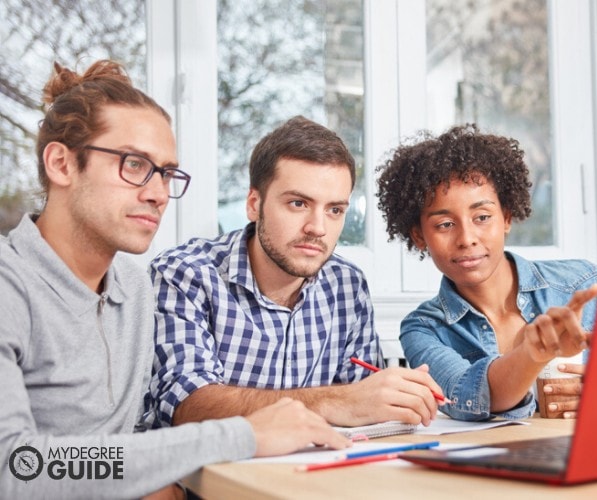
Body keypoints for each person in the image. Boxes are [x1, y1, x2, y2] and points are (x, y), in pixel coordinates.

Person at [0, 60, 348, 499]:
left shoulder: (133, 286)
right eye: (134, 164)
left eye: (165, 172)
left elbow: (130, 445)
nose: (158, 192)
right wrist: (243, 433)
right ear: (62, 164)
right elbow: (16, 467)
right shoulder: (9, 284)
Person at [146, 116, 445, 430]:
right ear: (253, 204)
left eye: (334, 210)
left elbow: (364, 408)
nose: (317, 228)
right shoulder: (184, 273)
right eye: (298, 203)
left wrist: (394, 398)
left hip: (312, 472)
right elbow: (186, 403)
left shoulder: (347, 285)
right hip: (208, 475)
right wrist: (336, 401)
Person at [375, 124, 597, 422]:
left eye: (482, 217)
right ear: (419, 236)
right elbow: (465, 396)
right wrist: (533, 354)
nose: (467, 238)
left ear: (506, 217)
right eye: (445, 224)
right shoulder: (425, 329)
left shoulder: (583, 284)